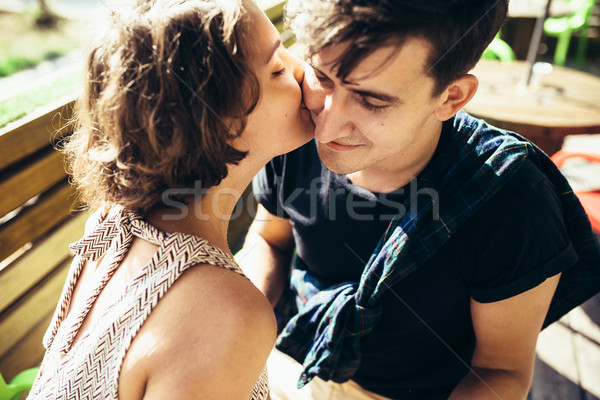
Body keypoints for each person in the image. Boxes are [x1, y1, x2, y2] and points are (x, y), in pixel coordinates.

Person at [239, 0, 600, 399]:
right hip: (296, 356)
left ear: (451, 97)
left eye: (373, 101)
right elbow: (271, 237)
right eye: (322, 77)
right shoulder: (295, 127)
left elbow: (500, 371)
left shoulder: (513, 201)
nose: (326, 124)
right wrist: (241, 324)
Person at [27, 0, 313, 399]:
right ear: (212, 121)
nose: (301, 67)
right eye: (277, 69)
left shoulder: (111, 224)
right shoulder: (225, 314)